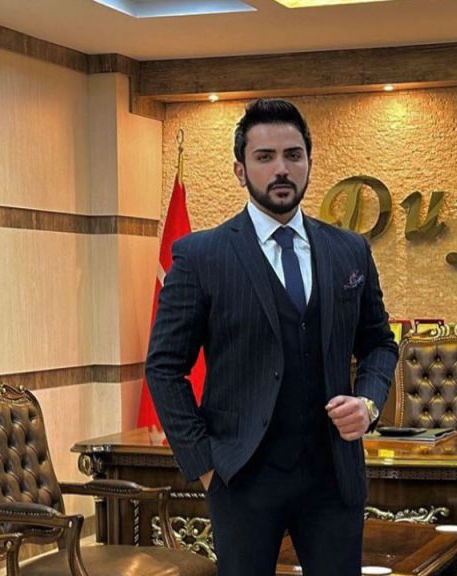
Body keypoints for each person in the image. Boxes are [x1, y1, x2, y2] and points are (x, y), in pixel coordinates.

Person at [145, 98, 398, 575]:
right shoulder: (201, 256)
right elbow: (163, 367)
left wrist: (367, 403)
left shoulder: (350, 251)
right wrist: (205, 465)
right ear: (240, 171)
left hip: (333, 475)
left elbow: (380, 344)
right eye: (265, 157)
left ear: (309, 162)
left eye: (293, 155)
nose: (281, 169)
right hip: (241, 476)